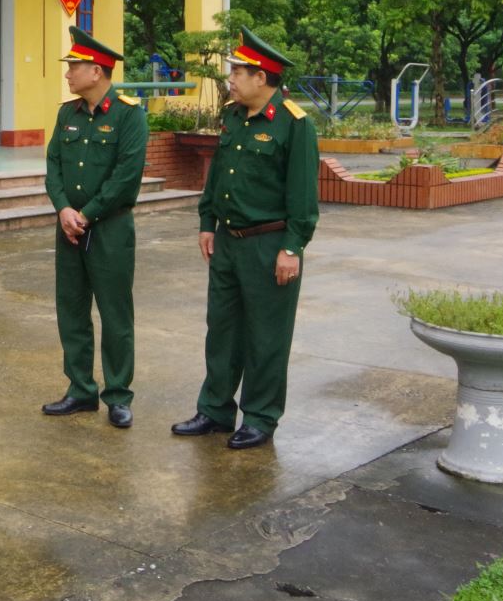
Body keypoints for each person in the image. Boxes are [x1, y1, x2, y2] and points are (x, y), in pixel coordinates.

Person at [172, 26, 320, 449]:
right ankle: (215, 409)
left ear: (263, 78)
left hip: (269, 244)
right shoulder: (234, 118)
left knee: (266, 335)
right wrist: (206, 221)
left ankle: (260, 416)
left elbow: (304, 196)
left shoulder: (294, 125)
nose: (231, 79)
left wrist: (293, 247)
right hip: (228, 241)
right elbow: (218, 176)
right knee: (221, 329)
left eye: (238, 71)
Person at [41, 26, 147, 429]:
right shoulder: (67, 113)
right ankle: (80, 389)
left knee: (115, 313)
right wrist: (64, 208)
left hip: (110, 230)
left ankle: (118, 395)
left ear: (98, 71)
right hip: (69, 228)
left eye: (75, 66)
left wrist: (86, 215)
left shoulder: (128, 114)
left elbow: (127, 175)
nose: (68, 73)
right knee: (71, 310)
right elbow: (53, 165)